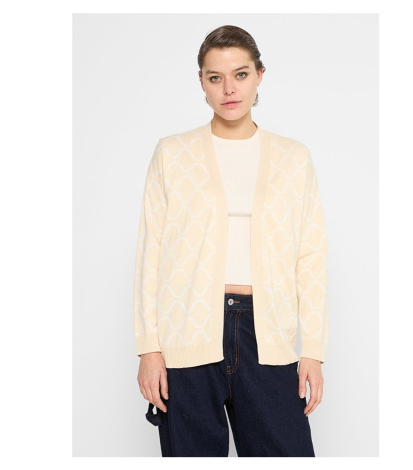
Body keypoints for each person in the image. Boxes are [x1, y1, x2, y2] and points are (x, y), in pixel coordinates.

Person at [134, 24, 328, 457]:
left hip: (267, 332)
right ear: (201, 82)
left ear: (259, 75)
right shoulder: (172, 153)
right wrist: (149, 349)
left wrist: (313, 351)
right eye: (215, 77)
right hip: (187, 331)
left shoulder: (293, 157)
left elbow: (311, 255)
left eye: (240, 74)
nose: (229, 89)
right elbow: (151, 253)